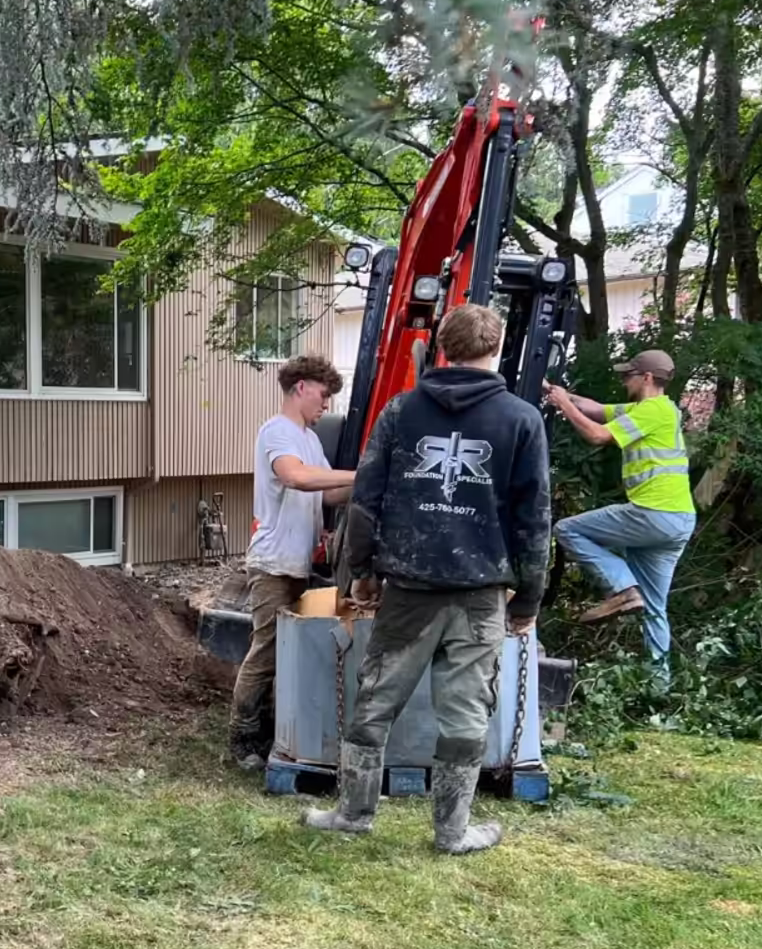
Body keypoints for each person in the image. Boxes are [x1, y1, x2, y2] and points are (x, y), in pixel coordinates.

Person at [304, 303, 551, 854]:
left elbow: (366, 500)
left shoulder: (400, 411)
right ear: (499, 346)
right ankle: (452, 831)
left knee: (375, 701)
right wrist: (528, 598)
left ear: (442, 345)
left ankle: (353, 814)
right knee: (465, 711)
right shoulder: (520, 419)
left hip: (409, 590)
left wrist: (362, 573)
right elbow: (533, 517)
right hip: (479, 594)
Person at [230, 355, 355, 770]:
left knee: (286, 655)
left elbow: (325, 492)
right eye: (323, 395)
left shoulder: (311, 440)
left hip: (297, 564)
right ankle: (242, 738)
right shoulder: (277, 432)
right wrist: (361, 475)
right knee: (265, 651)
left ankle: (268, 733)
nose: (326, 405)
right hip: (272, 563)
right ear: (301, 387)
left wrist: (364, 487)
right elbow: (296, 478)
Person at [542, 350, 695, 686]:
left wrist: (563, 407)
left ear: (647, 378)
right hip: (677, 521)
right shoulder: (653, 409)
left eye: (629, 374)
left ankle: (623, 589)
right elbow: (596, 409)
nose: (624, 379)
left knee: (567, 529)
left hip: (654, 514)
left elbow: (597, 434)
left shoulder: (653, 410)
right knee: (655, 606)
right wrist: (555, 392)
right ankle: (659, 686)